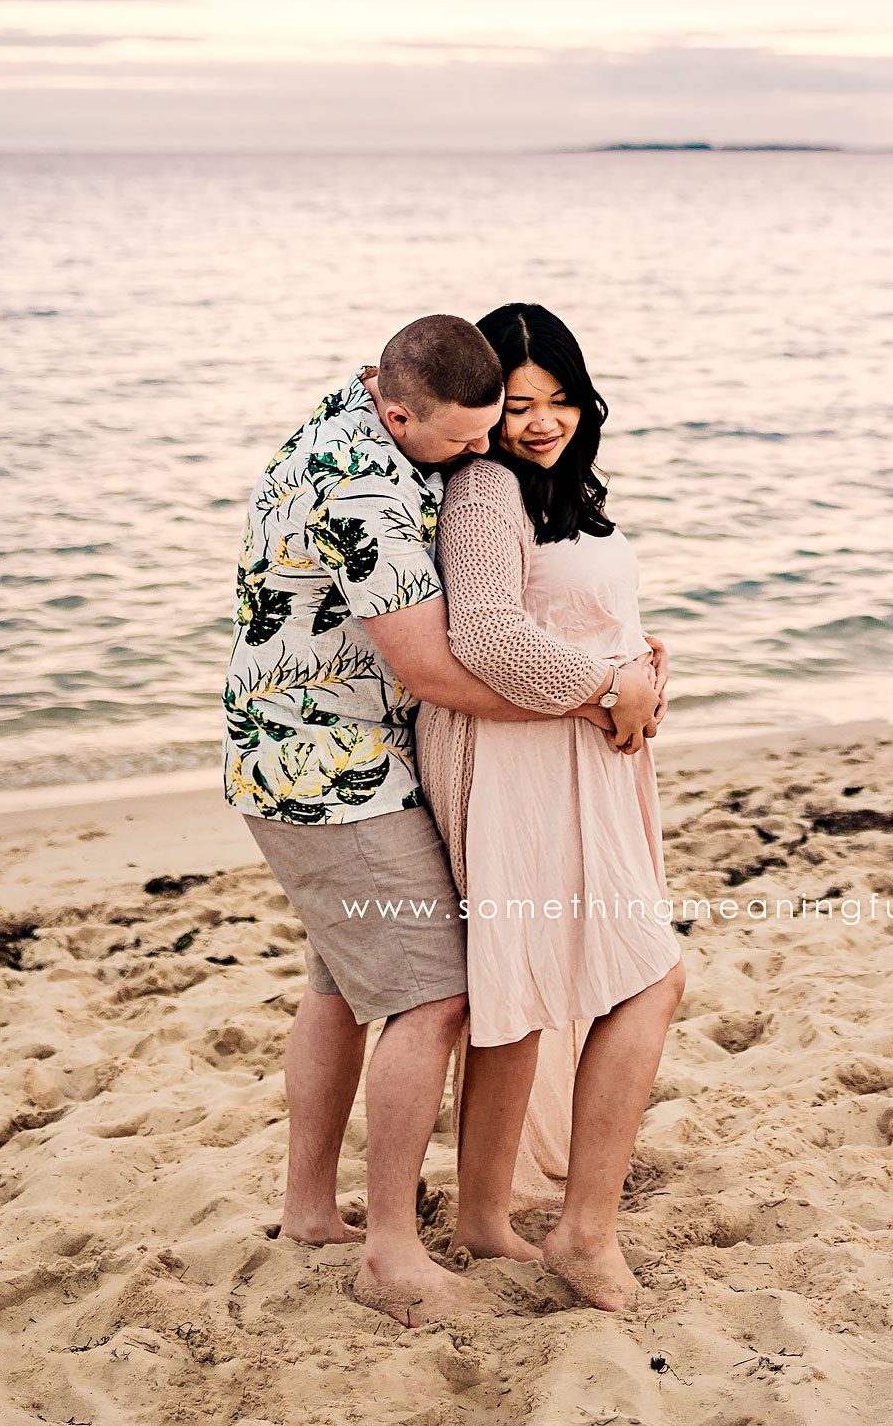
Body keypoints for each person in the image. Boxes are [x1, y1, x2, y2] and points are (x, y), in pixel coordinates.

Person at [220, 312, 648, 1329]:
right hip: (333, 771)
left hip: (305, 756)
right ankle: (391, 1251)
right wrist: (599, 696)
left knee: (338, 983)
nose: (477, 457)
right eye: (460, 441)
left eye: (488, 430)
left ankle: (309, 1210)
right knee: (437, 996)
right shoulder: (365, 488)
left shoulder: (362, 403)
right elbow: (433, 665)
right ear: (398, 407)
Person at [417, 302, 685, 1314]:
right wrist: (608, 689)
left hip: (583, 755)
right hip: (524, 763)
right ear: (484, 406)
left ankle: (485, 1220)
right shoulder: (486, 488)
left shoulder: (555, 490)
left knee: (525, 994)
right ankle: (582, 1228)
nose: (542, 423)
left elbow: (579, 614)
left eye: (561, 400)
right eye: (520, 403)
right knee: (649, 978)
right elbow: (484, 634)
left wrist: (642, 676)